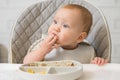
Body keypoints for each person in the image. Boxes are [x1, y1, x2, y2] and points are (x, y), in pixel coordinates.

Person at [23, 4, 108, 65]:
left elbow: (93, 73)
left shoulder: (87, 51)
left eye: (65, 26)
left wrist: (98, 62)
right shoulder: (43, 45)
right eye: (55, 22)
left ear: (80, 37)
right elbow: (26, 63)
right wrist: (42, 50)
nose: (56, 28)